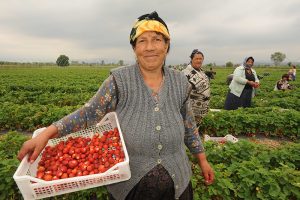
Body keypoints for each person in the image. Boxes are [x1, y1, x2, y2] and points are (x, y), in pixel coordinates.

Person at [17, 11, 214, 200]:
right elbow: (88, 114)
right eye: (142, 41)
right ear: (134, 48)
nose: (150, 47)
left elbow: (189, 126)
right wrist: (46, 134)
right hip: (130, 186)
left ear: (167, 45)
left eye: (157, 39)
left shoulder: (180, 83)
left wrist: (202, 160)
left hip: (177, 182)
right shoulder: (119, 81)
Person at [182, 49, 210, 126]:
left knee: (195, 130)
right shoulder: (186, 73)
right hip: (191, 110)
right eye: (196, 59)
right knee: (188, 131)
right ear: (191, 59)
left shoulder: (201, 71)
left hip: (200, 110)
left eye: (200, 59)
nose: (199, 61)